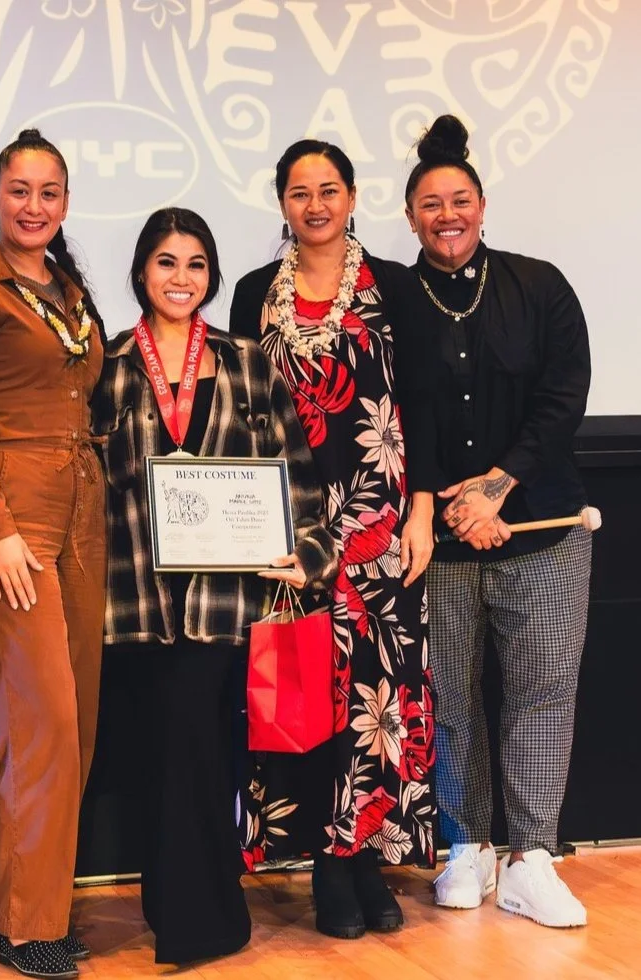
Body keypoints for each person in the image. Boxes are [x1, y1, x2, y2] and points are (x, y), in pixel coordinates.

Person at [92, 207, 337, 965]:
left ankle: (202, 922)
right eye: (166, 262)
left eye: (195, 264)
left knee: (202, 755)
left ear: (212, 277)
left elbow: (294, 465)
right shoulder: (104, 366)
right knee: (155, 762)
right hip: (132, 605)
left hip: (222, 604)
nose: (180, 278)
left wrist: (311, 550)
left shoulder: (244, 361)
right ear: (141, 272)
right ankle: (175, 910)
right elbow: (85, 483)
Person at [229, 139, 438, 939]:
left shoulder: (395, 288)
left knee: (379, 701)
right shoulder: (254, 292)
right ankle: (325, 865)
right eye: (297, 191)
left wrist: (420, 512)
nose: (314, 204)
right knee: (310, 700)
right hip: (290, 536)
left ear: (353, 197)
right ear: (281, 203)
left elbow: (427, 408)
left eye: (328, 189)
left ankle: (368, 864)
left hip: (383, 534)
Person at [404, 114, 592, 928]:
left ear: (482, 204)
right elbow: (395, 411)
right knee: (449, 697)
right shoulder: (391, 301)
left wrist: (500, 486)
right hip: (439, 541)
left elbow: (565, 393)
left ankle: (532, 857)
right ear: (409, 216)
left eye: (460, 200)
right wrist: (457, 499)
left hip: (543, 530)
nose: (448, 215)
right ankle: (465, 845)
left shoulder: (539, 283)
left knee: (540, 692)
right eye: (430, 204)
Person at [0, 129, 106, 980]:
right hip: (15, 520)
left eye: (48, 191)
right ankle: (26, 927)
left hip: (85, 517)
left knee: (75, 729)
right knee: (39, 725)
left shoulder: (70, 290)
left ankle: (27, 906)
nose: (33, 205)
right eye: (19, 190)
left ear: (64, 203)